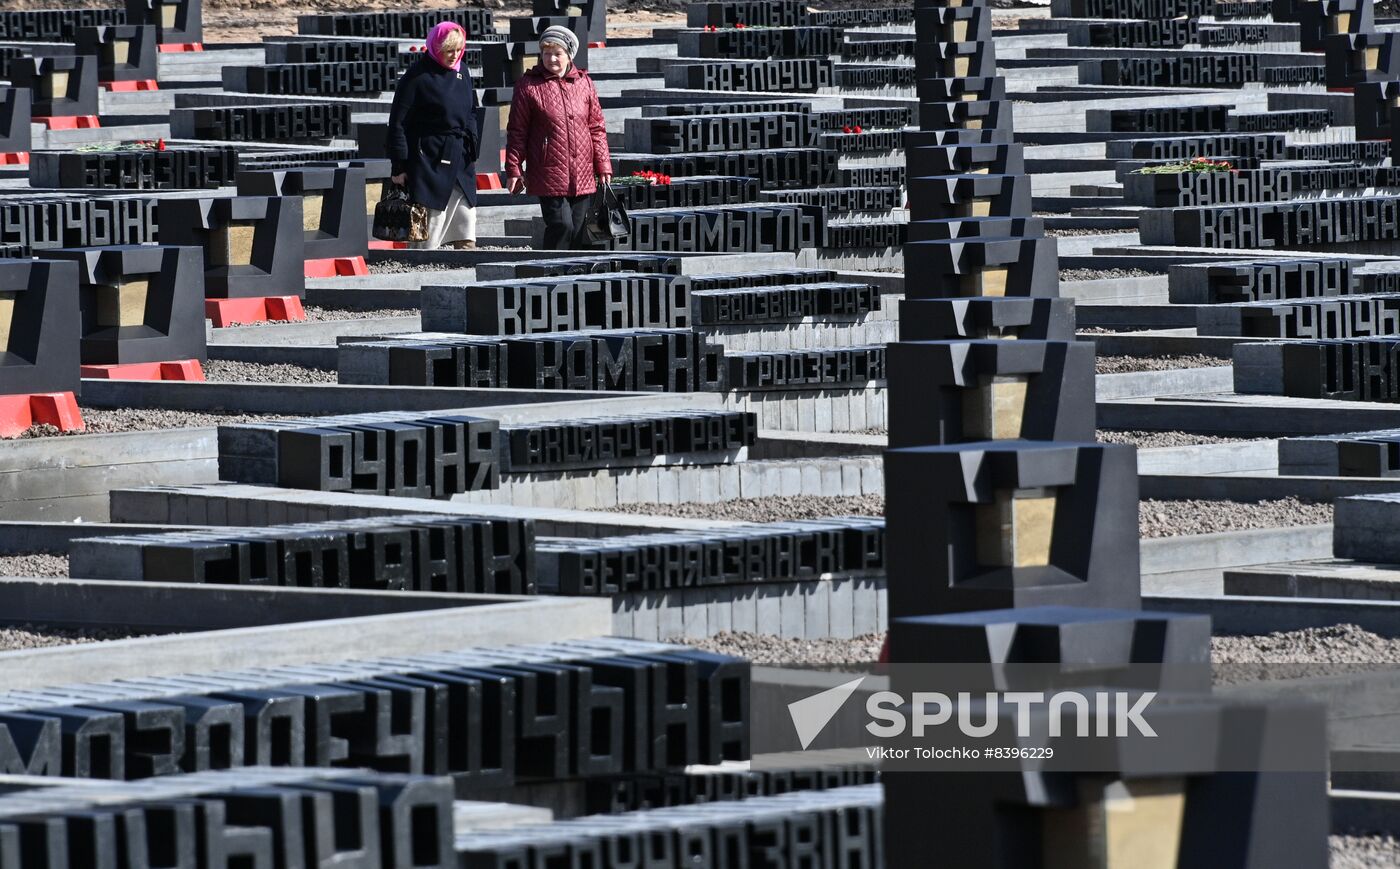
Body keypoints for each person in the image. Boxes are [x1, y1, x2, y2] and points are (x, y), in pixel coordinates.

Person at [505, 24, 613, 250]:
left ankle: (572, 277)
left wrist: (603, 166)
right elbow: (517, 131)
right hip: (548, 171)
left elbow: (596, 127)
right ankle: (549, 270)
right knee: (561, 226)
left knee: (578, 229)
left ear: (569, 54)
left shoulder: (585, 83)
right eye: (546, 53)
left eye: (557, 53)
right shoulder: (528, 86)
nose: (551, 59)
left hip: (582, 171)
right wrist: (514, 169)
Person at [386, 21, 481, 250]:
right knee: (430, 223)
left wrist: (471, 143)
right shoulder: (416, 76)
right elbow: (398, 122)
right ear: (435, 47)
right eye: (449, 50)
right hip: (428, 158)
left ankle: (466, 266)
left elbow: (471, 111)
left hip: (459, 155)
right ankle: (422, 268)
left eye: (459, 50)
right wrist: (398, 166)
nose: (454, 55)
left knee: (466, 218)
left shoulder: (463, 71)